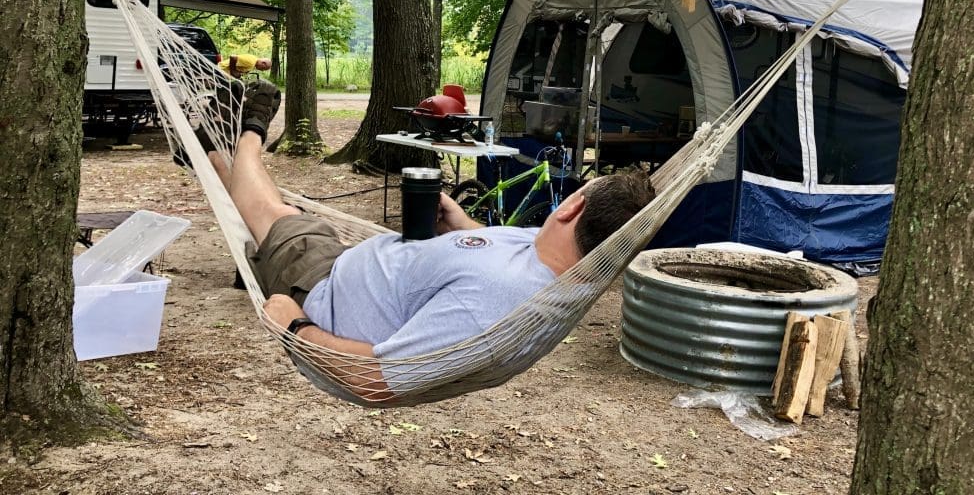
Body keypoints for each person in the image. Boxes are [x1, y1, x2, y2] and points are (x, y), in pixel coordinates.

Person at [209, 80, 655, 400]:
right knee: (287, 218)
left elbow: (378, 379)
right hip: (350, 267)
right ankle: (210, 150)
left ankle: (249, 129)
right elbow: (516, 256)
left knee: (274, 214)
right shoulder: (564, 262)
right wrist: (463, 227)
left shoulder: (493, 303)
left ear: (570, 207)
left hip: (320, 293)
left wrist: (295, 326)